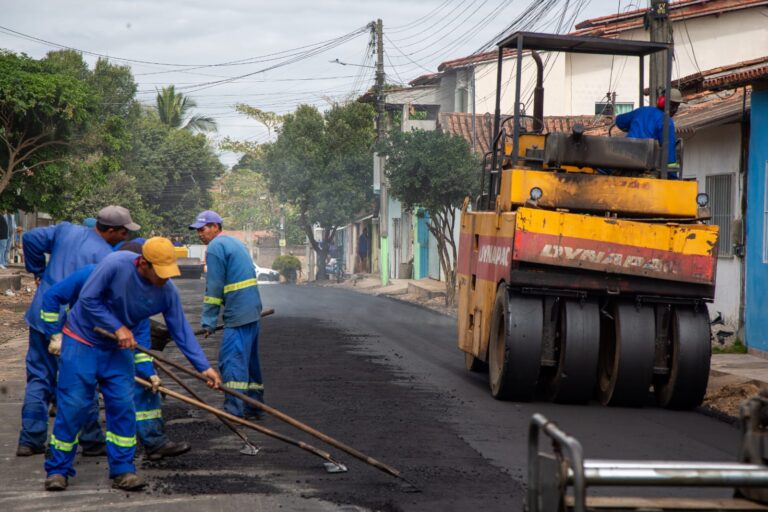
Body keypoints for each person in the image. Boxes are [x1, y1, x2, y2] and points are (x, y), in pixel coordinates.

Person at [43, 237, 222, 492]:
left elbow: (181, 331)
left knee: (122, 407)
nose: (164, 279)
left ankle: (123, 470)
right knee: (73, 407)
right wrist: (118, 327)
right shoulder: (115, 265)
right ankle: (58, 471)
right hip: (83, 341)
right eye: (160, 273)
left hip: (117, 352)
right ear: (143, 264)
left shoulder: (167, 291)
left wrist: (203, 367)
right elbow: (88, 299)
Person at [17, 206, 139, 458]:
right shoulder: (106, 257)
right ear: (112, 230)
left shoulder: (66, 231)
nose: (125, 237)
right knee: (83, 380)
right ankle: (92, 440)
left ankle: (30, 440)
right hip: (75, 327)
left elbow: (29, 238)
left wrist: (38, 270)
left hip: (43, 315)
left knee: (39, 379)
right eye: (124, 232)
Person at [189, 210, 264, 420]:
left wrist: (208, 322)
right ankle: (255, 406)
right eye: (197, 231)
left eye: (202, 229)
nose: (199, 234)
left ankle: (234, 411)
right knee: (250, 362)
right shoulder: (235, 243)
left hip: (239, 313)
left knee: (232, 361)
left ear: (215, 227)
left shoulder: (215, 248)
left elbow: (213, 289)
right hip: (252, 310)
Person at [615, 88, 684, 171]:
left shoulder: (642, 110)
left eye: (677, 106)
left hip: (623, 158)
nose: (675, 110)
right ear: (662, 102)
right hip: (644, 165)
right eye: (672, 105)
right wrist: (673, 177)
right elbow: (669, 153)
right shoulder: (667, 122)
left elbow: (619, 121)